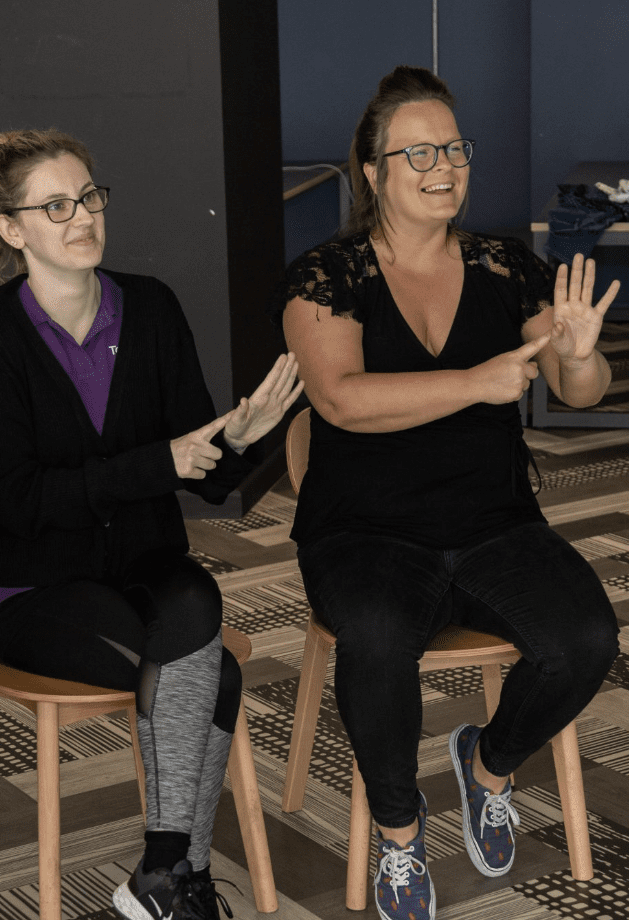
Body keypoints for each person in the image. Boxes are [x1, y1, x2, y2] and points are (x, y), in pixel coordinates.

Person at [272, 66, 620, 920]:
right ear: (373, 170)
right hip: (364, 531)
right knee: (380, 639)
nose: (445, 166)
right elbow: (342, 401)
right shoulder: (327, 274)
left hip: (493, 521)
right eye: (419, 150)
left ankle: (488, 764)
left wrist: (575, 351)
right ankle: (398, 831)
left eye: (455, 148)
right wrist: (475, 382)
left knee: (586, 636)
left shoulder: (506, 262)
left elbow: (582, 392)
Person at [0, 128, 303, 920]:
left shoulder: (149, 305)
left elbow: (198, 466)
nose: (83, 216)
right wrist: (159, 464)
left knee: (196, 605)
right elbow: (11, 500)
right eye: (56, 205)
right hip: (36, 587)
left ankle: (161, 876)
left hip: (144, 563)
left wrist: (238, 442)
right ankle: (174, 876)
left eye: (89, 196)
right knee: (213, 672)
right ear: (13, 229)